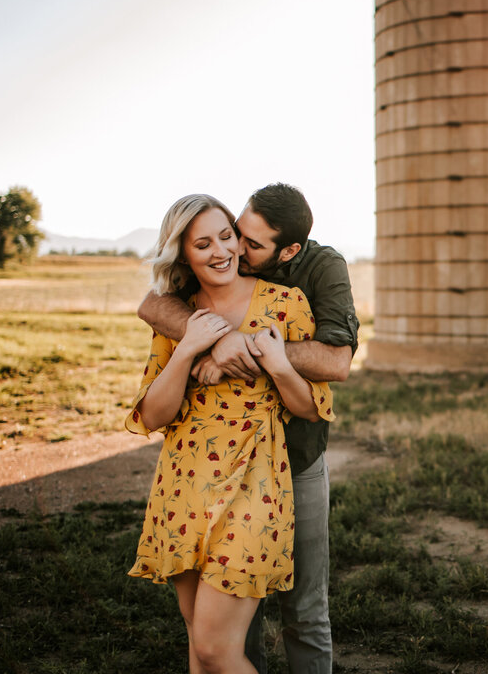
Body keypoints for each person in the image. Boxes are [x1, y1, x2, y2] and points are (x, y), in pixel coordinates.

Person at [139, 183, 358, 674]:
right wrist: (195, 344)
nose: (229, 248)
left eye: (235, 240)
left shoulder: (303, 286)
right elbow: (151, 411)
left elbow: (333, 369)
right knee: (206, 647)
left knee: (290, 616)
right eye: (212, 241)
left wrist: (248, 349)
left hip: (274, 473)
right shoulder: (183, 308)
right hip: (186, 484)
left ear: (289, 249)